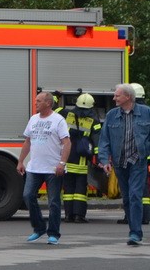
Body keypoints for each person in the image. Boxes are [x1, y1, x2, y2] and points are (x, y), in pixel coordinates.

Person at [98, 83, 150, 246]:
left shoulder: (146, 113)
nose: (114, 98)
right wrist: (105, 160)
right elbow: (104, 139)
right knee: (127, 198)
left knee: (135, 195)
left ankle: (135, 233)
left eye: (117, 95)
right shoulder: (112, 115)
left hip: (138, 161)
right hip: (120, 163)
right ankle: (133, 228)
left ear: (128, 97)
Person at [17, 92, 71, 245]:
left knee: (53, 201)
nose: (35, 103)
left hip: (52, 168)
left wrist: (62, 163)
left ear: (48, 103)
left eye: (39, 101)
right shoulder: (33, 119)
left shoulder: (58, 120)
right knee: (28, 195)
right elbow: (28, 141)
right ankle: (39, 228)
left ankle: (53, 233)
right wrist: (21, 161)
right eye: (35, 101)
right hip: (34, 167)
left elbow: (67, 143)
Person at [62, 93, 100, 223]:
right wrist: (98, 158)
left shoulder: (67, 115)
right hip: (82, 159)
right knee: (80, 190)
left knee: (68, 188)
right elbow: (97, 140)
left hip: (67, 156)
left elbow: (54, 108)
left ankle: (68, 216)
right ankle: (79, 216)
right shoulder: (93, 120)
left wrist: (57, 96)